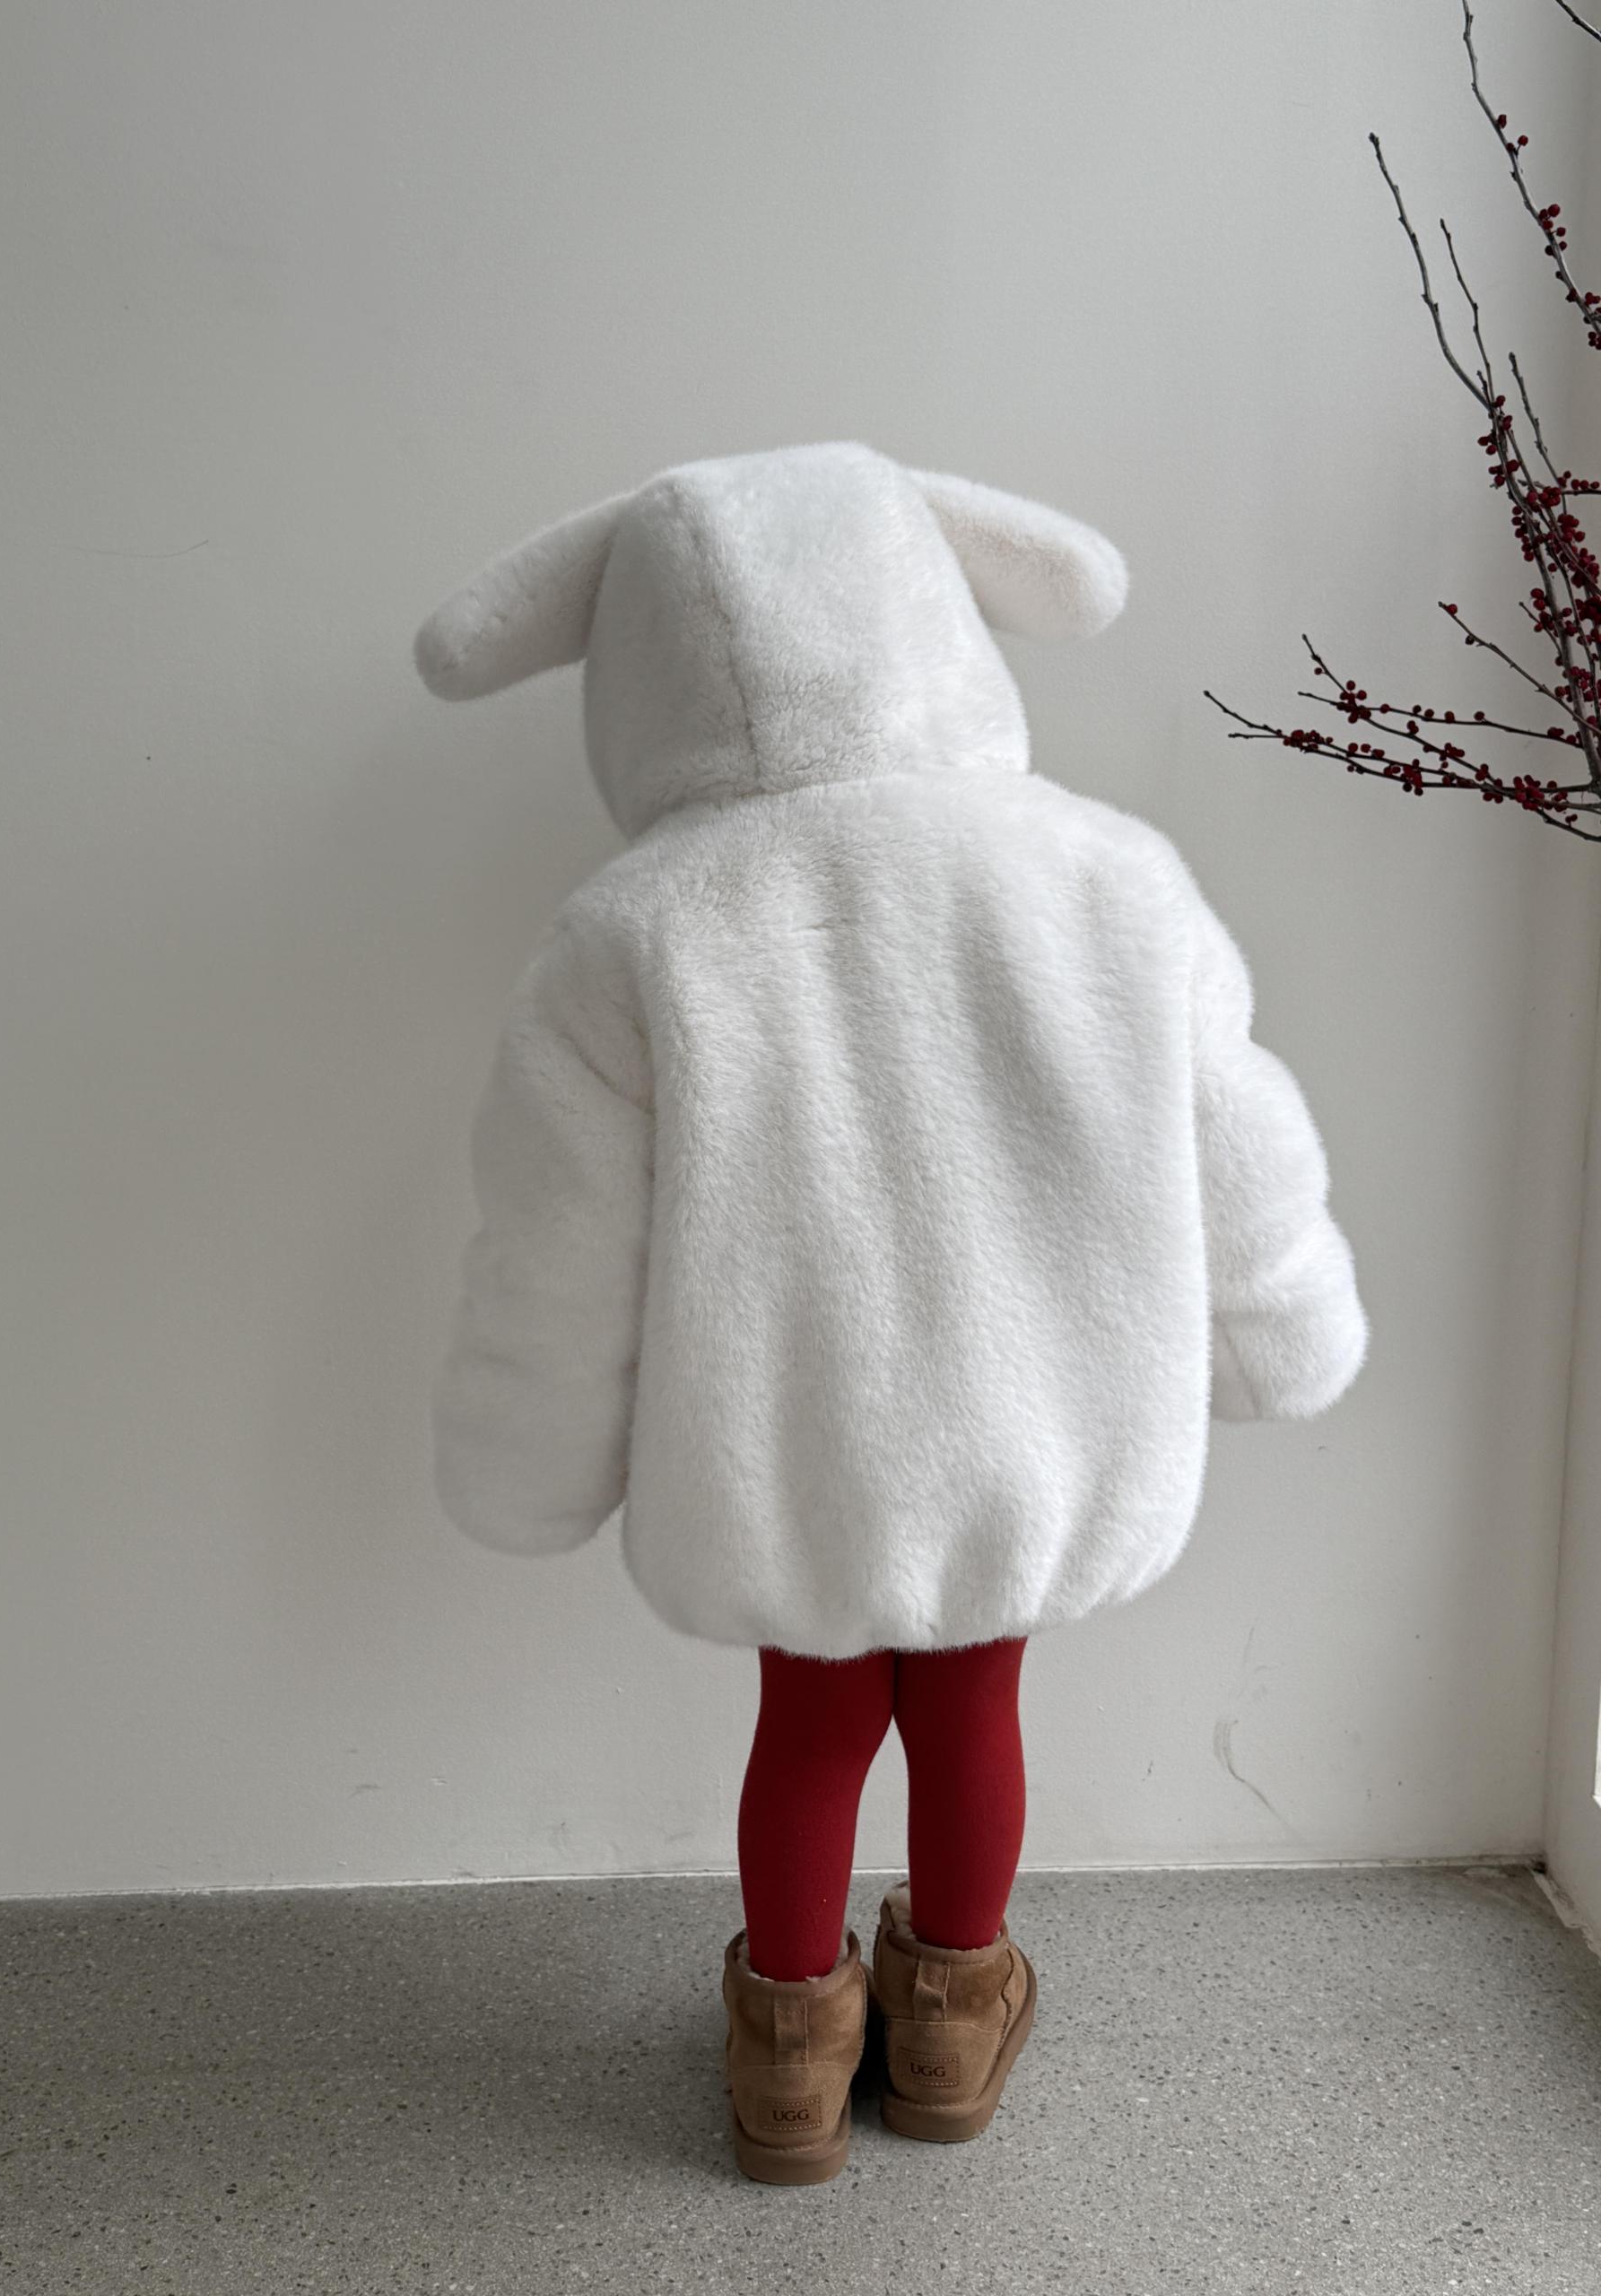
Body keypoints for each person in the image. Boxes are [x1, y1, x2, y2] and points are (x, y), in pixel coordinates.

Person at [413, 441, 1368, 2185]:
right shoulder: (1106, 875)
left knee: (812, 1724)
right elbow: (1234, 1133)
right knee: (973, 1708)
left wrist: (527, 1459)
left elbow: (557, 1244)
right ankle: (947, 2025)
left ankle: (787, 2062)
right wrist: (1280, 1321)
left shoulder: (629, 933)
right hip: (1029, 1423)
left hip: (789, 1439)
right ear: (930, 613)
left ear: (640, 676)